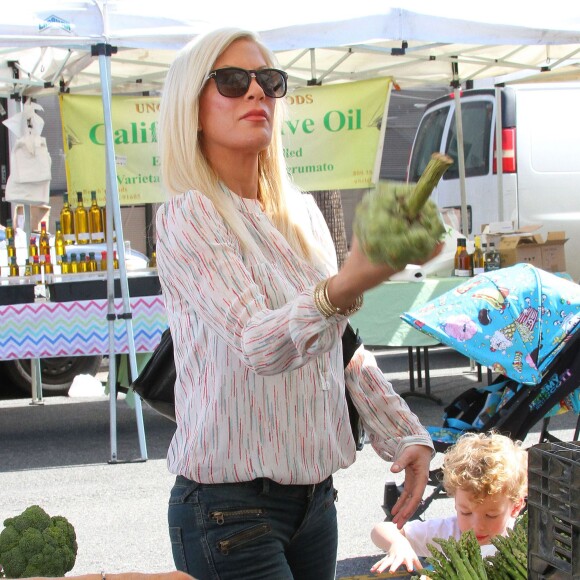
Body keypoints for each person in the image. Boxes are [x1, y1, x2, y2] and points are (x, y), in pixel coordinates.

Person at [155, 26, 441, 580]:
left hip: (315, 505)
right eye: (233, 81)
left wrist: (402, 431)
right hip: (228, 509)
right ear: (190, 106)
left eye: (268, 81)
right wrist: (347, 284)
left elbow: (339, 347)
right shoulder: (188, 216)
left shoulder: (302, 214)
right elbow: (259, 343)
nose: (256, 92)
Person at [370, 431, 528, 574]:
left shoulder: (525, 541)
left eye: (491, 515)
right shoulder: (449, 533)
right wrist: (397, 544)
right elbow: (381, 530)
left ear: (516, 506)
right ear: (455, 503)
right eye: (465, 512)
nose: (477, 526)